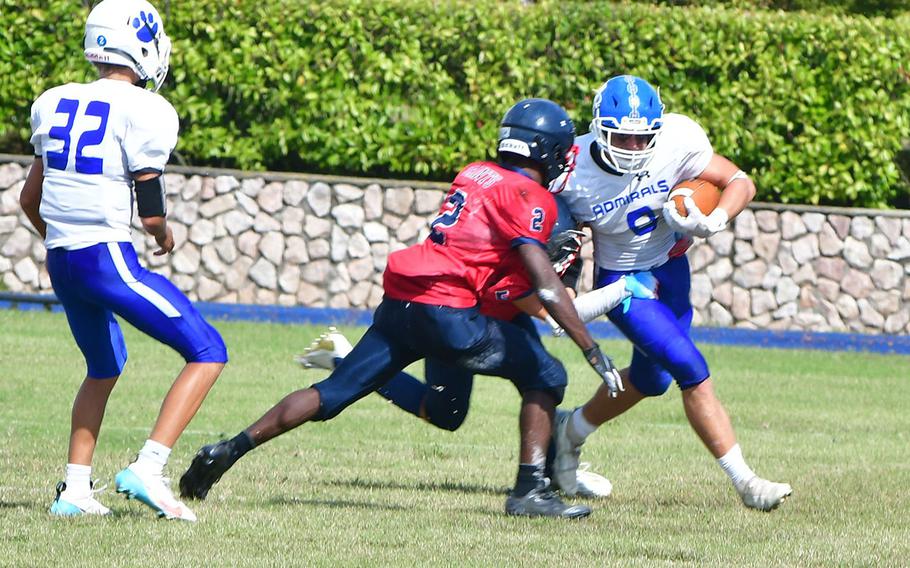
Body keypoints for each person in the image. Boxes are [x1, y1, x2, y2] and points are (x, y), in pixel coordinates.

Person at [180, 98, 624, 518]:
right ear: (546, 150)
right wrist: (590, 348)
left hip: (403, 301)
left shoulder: (475, 173)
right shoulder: (533, 198)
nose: (565, 159)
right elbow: (543, 283)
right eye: (562, 150)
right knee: (547, 375)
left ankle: (228, 450)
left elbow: (490, 255)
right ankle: (530, 492)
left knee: (331, 393)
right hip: (450, 313)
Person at [19, 0, 225, 521]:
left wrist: (63, 238)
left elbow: (29, 200)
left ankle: (75, 491)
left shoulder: (53, 100)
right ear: (142, 43)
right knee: (208, 349)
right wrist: (163, 234)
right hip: (106, 259)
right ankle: (148, 468)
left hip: (61, 261)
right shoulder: (146, 108)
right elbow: (150, 205)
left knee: (104, 365)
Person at [551, 75, 792, 511]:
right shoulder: (572, 170)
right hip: (624, 283)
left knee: (651, 379)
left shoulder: (677, 138)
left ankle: (568, 434)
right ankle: (748, 483)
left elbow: (740, 181)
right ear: (597, 128)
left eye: (643, 136)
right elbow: (562, 239)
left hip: (672, 269)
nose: (633, 146)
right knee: (689, 366)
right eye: (621, 134)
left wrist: (715, 217)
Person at [294, 231, 659, 499]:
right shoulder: (513, 211)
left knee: (544, 382)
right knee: (445, 414)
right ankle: (344, 358)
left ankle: (549, 478)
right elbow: (554, 315)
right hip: (458, 316)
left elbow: (565, 305)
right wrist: (621, 288)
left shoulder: (562, 225)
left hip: (502, 315)